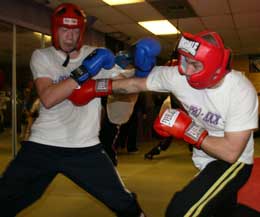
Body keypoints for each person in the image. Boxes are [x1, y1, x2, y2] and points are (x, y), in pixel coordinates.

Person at [0, 3, 161, 217]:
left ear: (81, 32)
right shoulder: (42, 56)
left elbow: (127, 85)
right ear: (55, 30)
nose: (69, 36)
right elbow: (48, 98)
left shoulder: (94, 53)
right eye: (64, 30)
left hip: (85, 148)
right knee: (5, 199)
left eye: (75, 31)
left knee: (124, 203)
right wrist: (85, 71)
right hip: (42, 144)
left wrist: (142, 71)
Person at [78, 30, 258, 216]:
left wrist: (188, 129)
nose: (186, 70)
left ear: (212, 65)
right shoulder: (179, 77)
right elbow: (134, 84)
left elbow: (231, 152)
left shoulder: (240, 91)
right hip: (205, 157)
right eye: (185, 61)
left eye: (194, 64)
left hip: (234, 162)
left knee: (181, 210)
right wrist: (93, 88)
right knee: (223, 211)